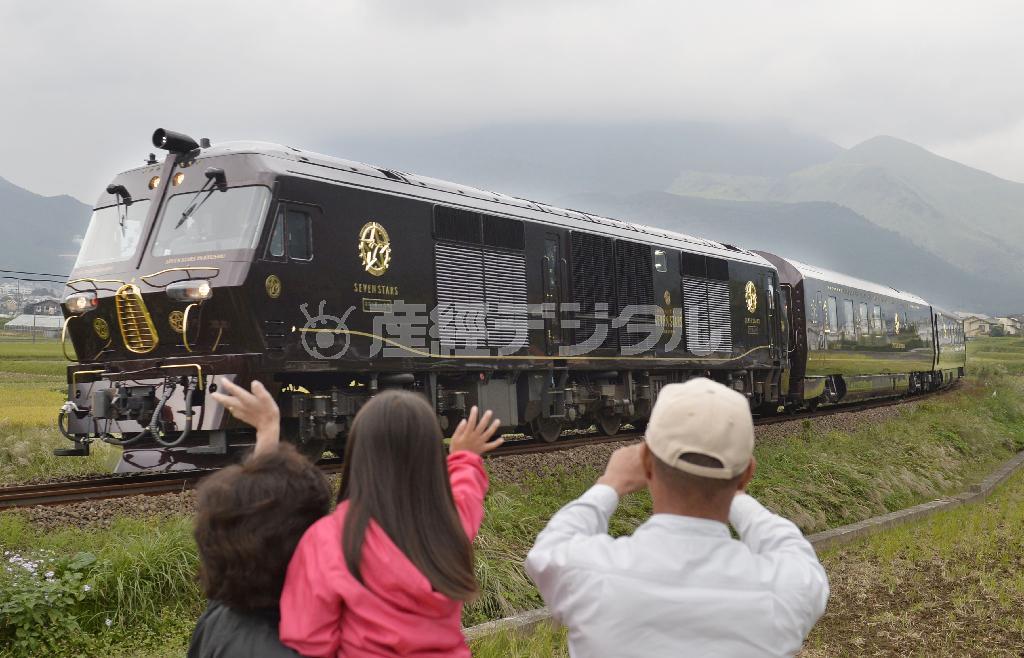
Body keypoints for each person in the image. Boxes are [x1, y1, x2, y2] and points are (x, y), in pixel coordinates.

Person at [525, 377, 830, 657]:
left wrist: (610, 483)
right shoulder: (785, 589)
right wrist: (734, 493)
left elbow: (548, 549)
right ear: (747, 475)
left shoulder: (593, 575)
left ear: (645, 462)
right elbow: (791, 547)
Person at [277, 390, 504, 657]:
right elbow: (465, 495)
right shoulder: (446, 525)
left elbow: (308, 640)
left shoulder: (328, 539)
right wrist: (464, 456)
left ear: (358, 452)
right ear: (431, 457)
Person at [188, 378, 332, 658]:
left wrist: (268, 431)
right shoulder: (286, 647)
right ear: (304, 552)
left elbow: (259, 517)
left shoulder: (218, 615)